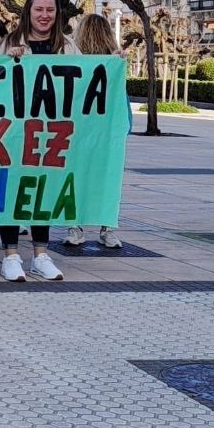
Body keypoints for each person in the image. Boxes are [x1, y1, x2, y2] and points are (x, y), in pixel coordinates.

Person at [0, 0, 76, 282]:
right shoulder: (9, 43)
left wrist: (113, 63)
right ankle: (11, 256)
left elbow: (86, 80)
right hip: (14, 135)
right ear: (28, 12)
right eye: (39, 9)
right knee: (12, 191)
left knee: (43, 190)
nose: (44, 15)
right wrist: (7, 60)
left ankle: (41, 255)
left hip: (50, 135)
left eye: (50, 10)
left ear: (57, 14)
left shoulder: (67, 47)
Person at [63, 13, 125, 250]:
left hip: (77, 129)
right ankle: (107, 228)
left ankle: (75, 227)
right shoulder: (113, 61)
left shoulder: (74, 58)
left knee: (75, 177)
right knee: (106, 177)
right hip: (106, 131)